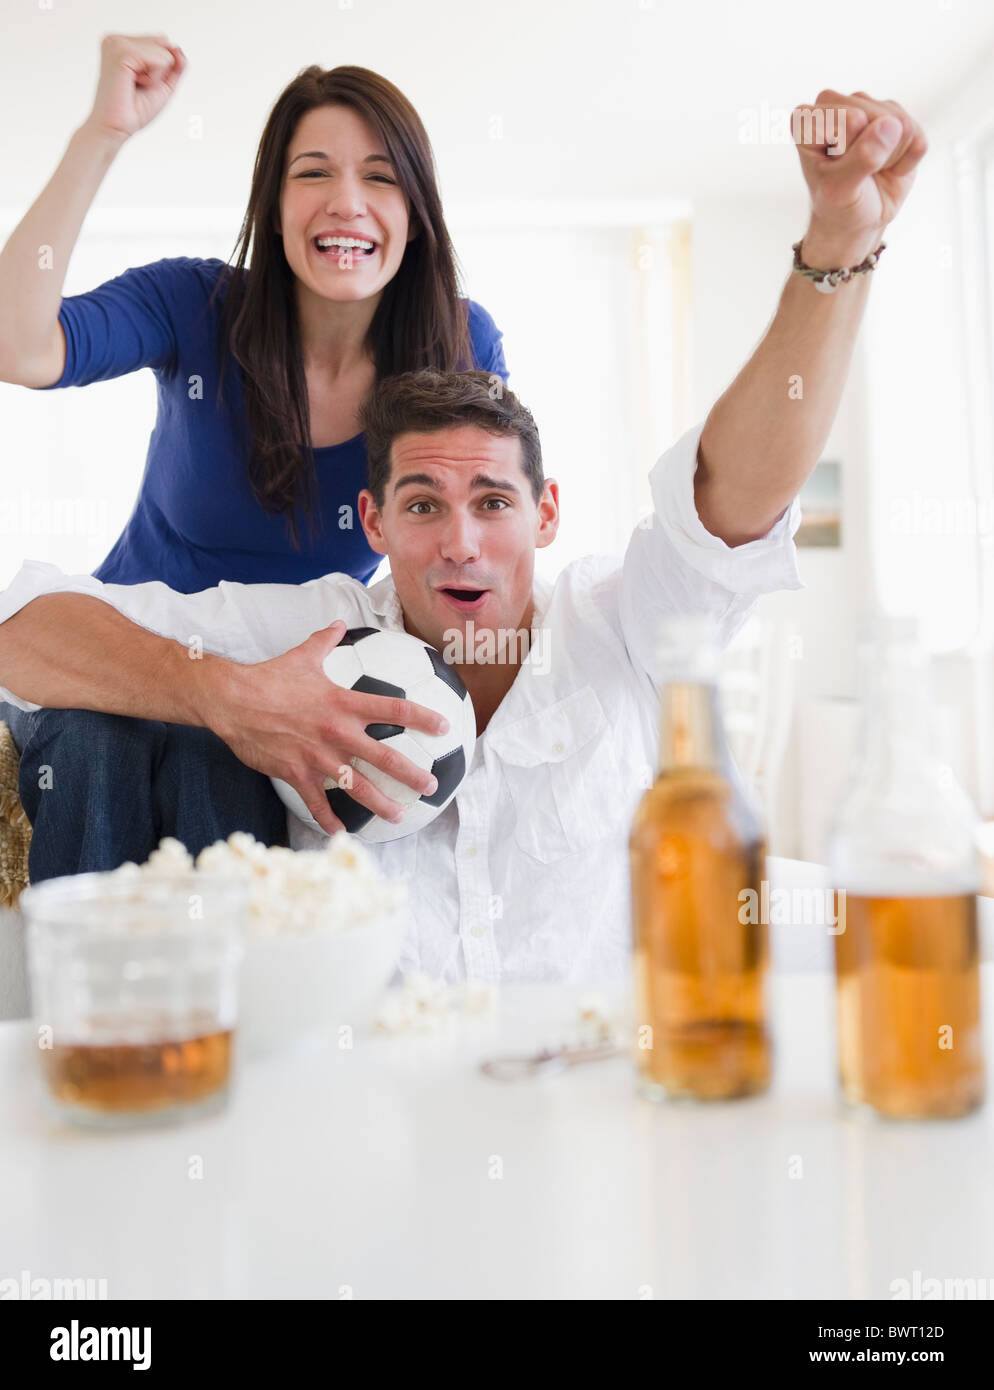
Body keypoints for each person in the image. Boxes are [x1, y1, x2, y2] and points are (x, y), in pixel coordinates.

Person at [0, 88, 927, 984]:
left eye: (491, 501)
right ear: (369, 524)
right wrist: (229, 696)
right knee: (108, 754)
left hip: (585, 1093)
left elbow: (732, 493)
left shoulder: (622, 627)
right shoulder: (311, 638)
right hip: (375, 1102)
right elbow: (22, 625)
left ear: (547, 512)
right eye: (420, 505)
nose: (458, 542)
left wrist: (838, 248)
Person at [0, 33, 507, 866]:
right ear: (273, 207)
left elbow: (482, 529)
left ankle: (231, 1002)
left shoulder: (458, 341)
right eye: (313, 173)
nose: (346, 201)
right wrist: (103, 134)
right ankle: (98, 996)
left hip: (287, 677)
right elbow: (20, 347)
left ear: (415, 214)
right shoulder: (196, 304)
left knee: (224, 776)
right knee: (97, 752)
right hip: (125, 658)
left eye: (379, 176)